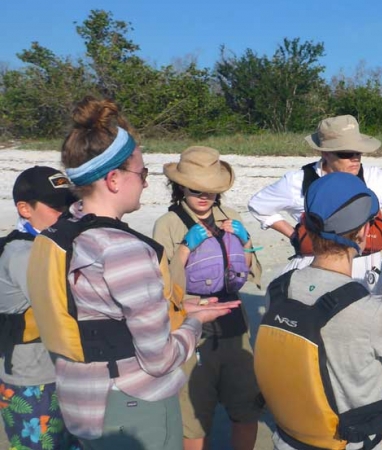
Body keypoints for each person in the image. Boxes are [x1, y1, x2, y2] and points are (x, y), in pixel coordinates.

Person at [25, 96, 239, 449]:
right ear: (113, 179)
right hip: (132, 408)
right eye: (142, 173)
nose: (145, 183)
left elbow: (97, 321)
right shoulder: (123, 250)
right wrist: (194, 323)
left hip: (81, 401)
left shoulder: (61, 234)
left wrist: (182, 311)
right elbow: (160, 359)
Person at [254, 172, 382, 450]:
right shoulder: (375, 310)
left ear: (306, 225)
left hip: (289, 439)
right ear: (365, 233)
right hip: (350, 441)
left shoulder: (279, 288)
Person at [153, 146, 263, 450]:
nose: (203, 196)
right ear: (180, 187)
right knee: (194, 414)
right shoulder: (168, 224)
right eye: (195, 189)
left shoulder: (232, 217)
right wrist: (186, 249)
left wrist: (247, 241)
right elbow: (163, 287)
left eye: (211, 191)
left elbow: (250, 270)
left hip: (234, 326)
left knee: (246, 407)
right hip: (190, 327)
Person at [248, 115, 382, 298]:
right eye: (346, 153)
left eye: (358, 153)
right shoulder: (297, 181)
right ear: (325, 154)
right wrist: (294, 236)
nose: (355, 159)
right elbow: (258, 206)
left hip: (365, 267)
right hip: (313, 266)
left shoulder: (375, 178)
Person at [0, 166, 80, 450]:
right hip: (33, 380)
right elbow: (61, 302)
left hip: (62, 371)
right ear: (25, 208)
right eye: (56, 206)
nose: (66, 212)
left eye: (70, 203)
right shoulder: (22, 253)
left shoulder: (53, 244)